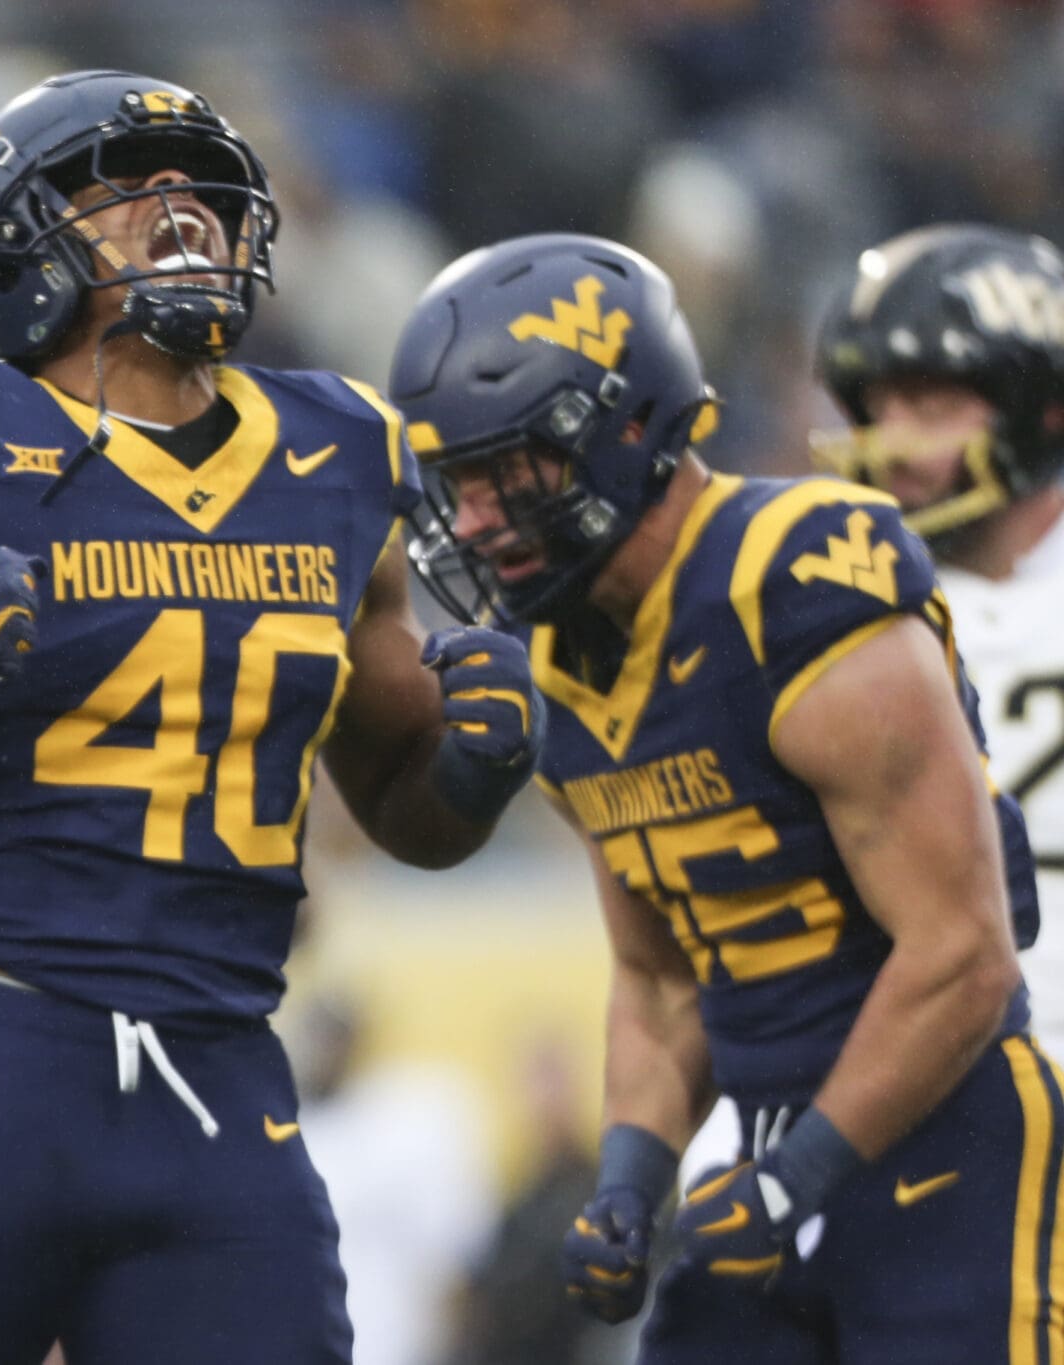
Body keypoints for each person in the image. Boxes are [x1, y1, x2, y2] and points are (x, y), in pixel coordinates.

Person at [0, 70, 544, 1364]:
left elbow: (407, 816)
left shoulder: (340, 450)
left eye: (198, 187)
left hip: (220, 1058)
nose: (180, 210)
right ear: (13, 243)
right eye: (122, 189)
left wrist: (471, 770)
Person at [395, 232, 1050, 1360]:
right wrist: (627, 1176)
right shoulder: (556, 658)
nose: (479, 518)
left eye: (506, 470)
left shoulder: (791, 583)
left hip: (943, 1135)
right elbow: (660, 979)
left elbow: (964, 955)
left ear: (623, 428)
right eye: (457, 484)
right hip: (767, 1152)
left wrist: (800, 1174)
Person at [813, 223, 1064, 1055]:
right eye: (876, 409)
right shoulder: (831, 605)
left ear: (1043, 409)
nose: (891, 443)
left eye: (928, 404)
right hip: (936, 1066)